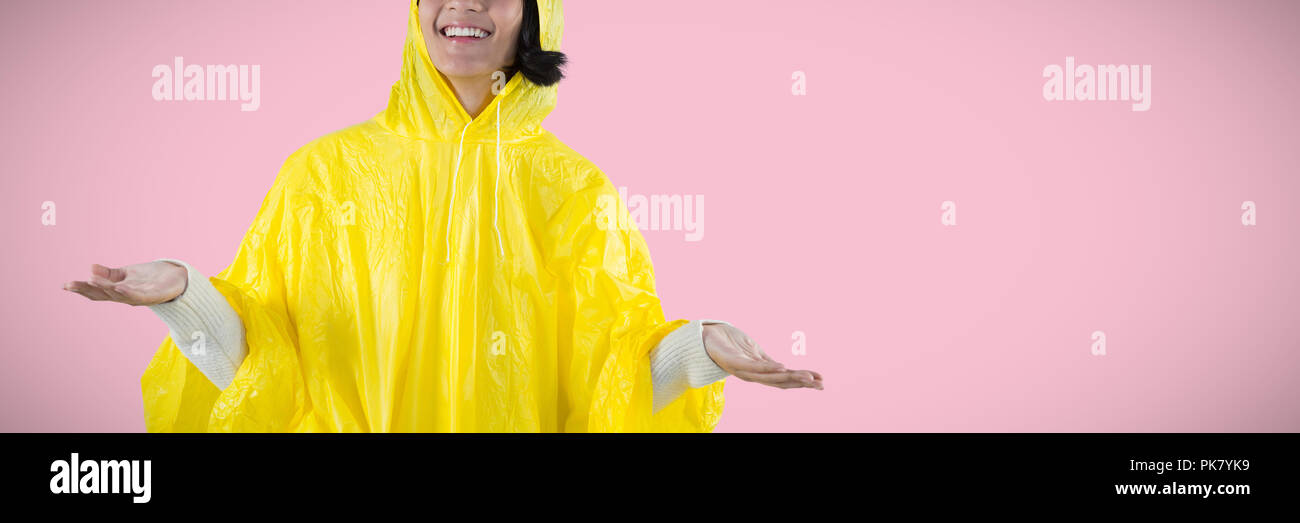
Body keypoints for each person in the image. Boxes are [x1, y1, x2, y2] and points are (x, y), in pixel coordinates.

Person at [64, 0, 823, 432]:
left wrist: (699, 347)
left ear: (534, 16)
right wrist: (184, 294)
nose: (461, 4)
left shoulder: (575, 191)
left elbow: (611, 385)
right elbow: (265, 370)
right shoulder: (322, 176)